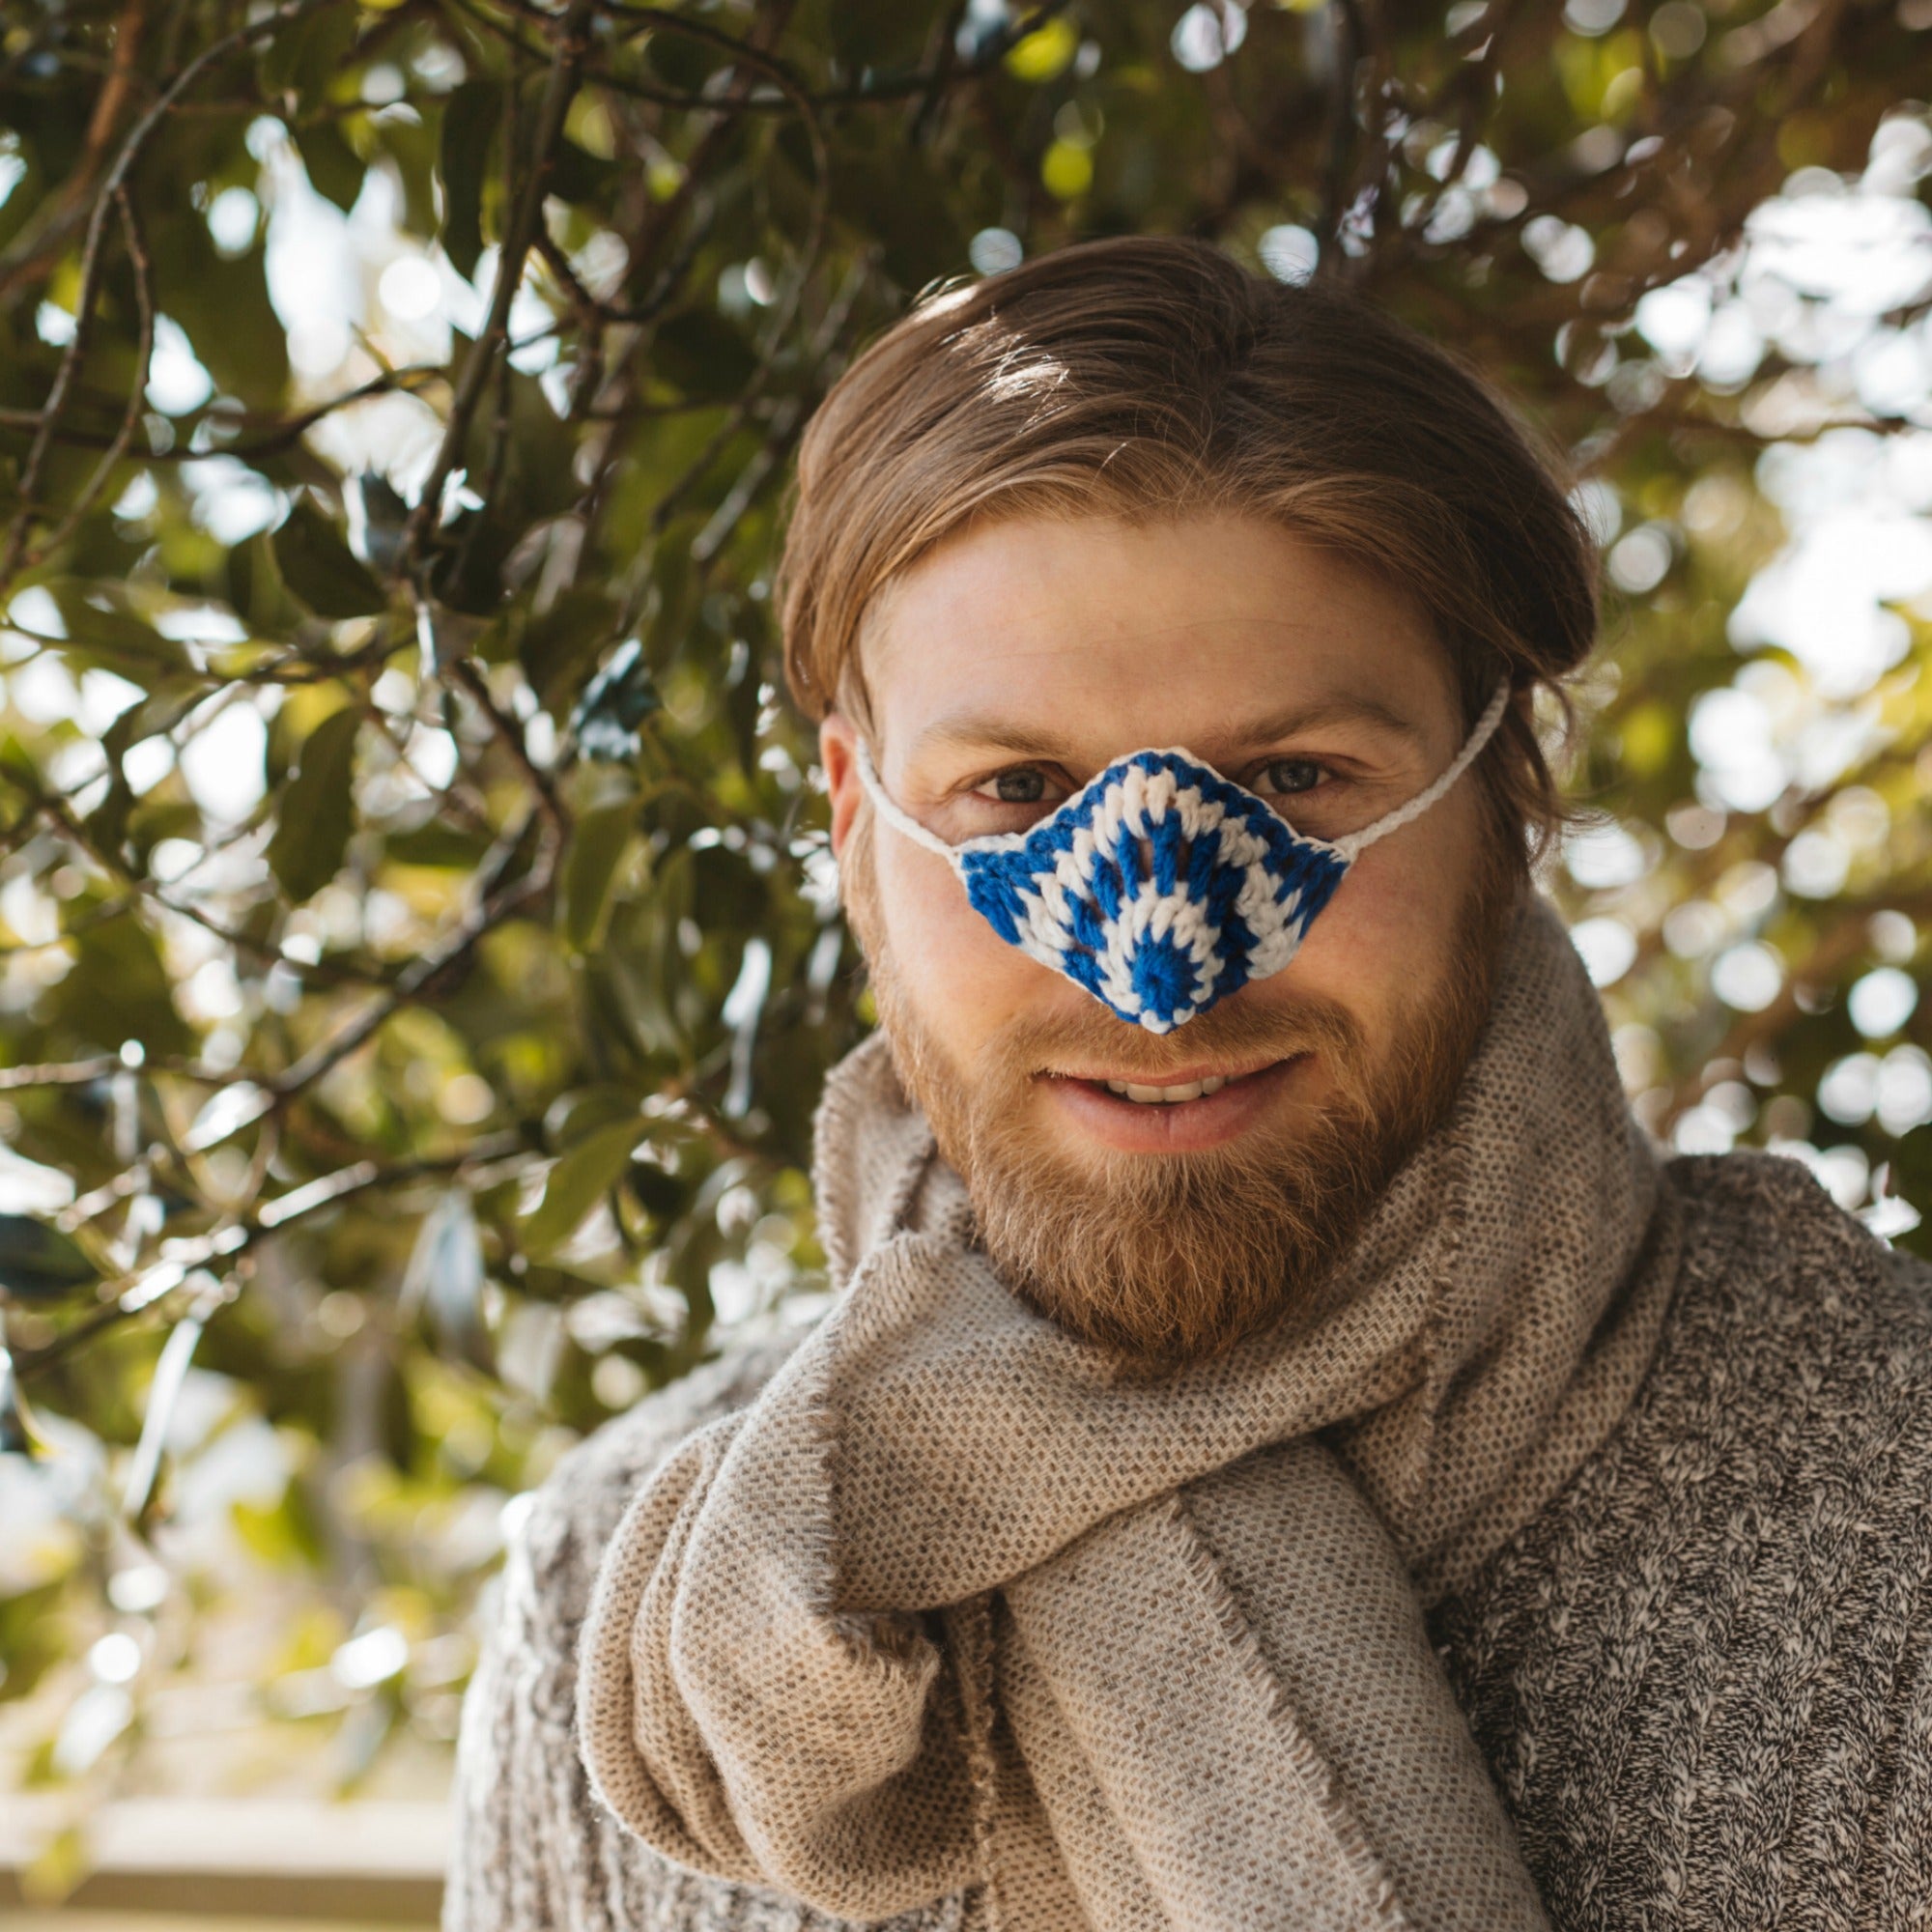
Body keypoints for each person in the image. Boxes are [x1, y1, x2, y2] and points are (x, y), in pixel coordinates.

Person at [444, 237, 1932, 1932]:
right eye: (1017, 791)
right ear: (856, 823)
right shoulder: (603, 1610)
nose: (1159, 974)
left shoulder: (1903, 1531)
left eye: (1292, 780)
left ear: (1503, 796)